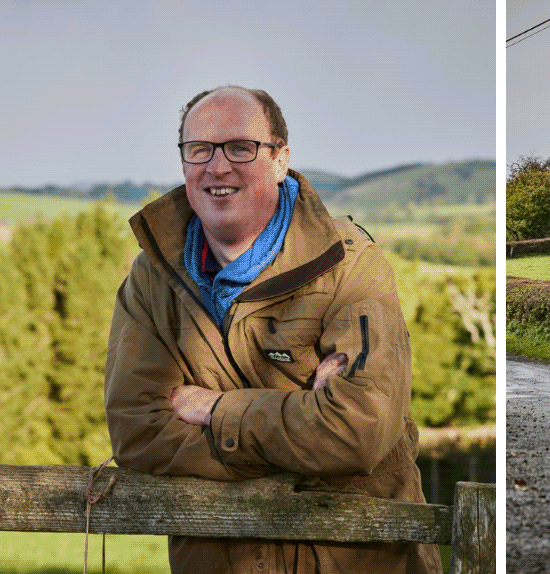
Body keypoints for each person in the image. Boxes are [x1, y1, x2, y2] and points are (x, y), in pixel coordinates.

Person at [104, 86, 441, 574]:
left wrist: (213, 408)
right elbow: (137, 434)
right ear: (183, 163)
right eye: (199, 149)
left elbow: (358, 431)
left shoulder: (348, 268)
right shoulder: (152, 278)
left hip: (356, 559)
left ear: (281, 158)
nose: (218, 167)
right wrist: (306, 433)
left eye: (241, 147)